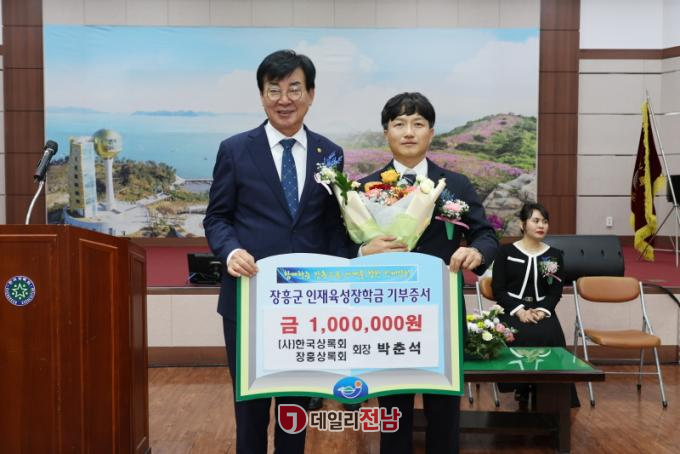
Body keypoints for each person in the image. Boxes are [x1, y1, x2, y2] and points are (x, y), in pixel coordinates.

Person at [203, 49, 349, 454]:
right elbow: (217, 217)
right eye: (274, 90)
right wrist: (230, 251)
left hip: (305, 306)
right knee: (250, 409)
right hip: (248, 299)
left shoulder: (330, 153)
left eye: (294, 89)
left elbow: (334, 226)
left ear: (311, 94)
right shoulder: (235, 149)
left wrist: (347, 274)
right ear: (262, 95)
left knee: (293, 409)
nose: (285, 99)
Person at [360, 92, 498, 454]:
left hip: (442, 312)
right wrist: (362, 251)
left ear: (431, 132)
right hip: (387, 314)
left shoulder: (456, 184)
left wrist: (476, 251)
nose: (409, 132)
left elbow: (486, 234)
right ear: (386, 132)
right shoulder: (365, 187)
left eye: (418, 124)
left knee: (444, 411)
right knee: (392, 410)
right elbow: (344, 245)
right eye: (399, 124)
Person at [491, 202, 579, 408]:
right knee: (517, 334)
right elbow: (499, 289)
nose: (541, 226)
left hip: (542, 310)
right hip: (512, 309)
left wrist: (541, 311)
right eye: (536, 221)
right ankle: (521, 386)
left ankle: (550, 392)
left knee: (551, 335)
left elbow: (555, 291)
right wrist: (519, 311)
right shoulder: (506, 252)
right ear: (522, 224)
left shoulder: (552, 255)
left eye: (545, 222)